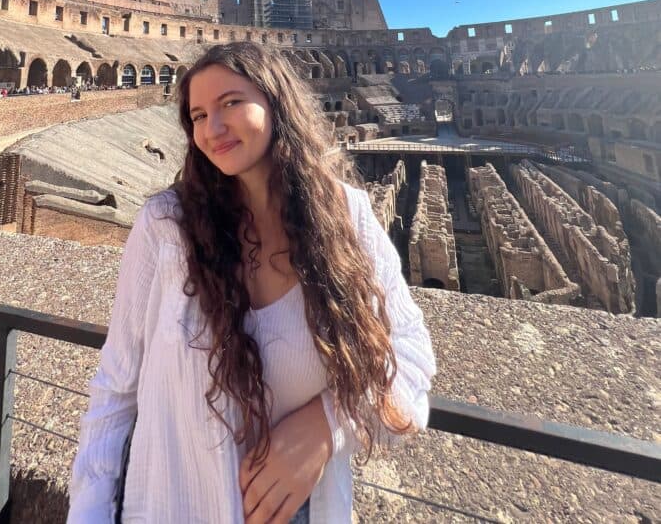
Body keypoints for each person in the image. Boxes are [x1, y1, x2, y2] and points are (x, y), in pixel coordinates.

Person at [68, 42, 435, 523]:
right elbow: (115, 389)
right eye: (197, 115)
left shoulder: (348, 216)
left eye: (230, 103)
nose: (211, 129)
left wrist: (328, 427)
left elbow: (411, 358)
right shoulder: (166, 225)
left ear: (275, 100)